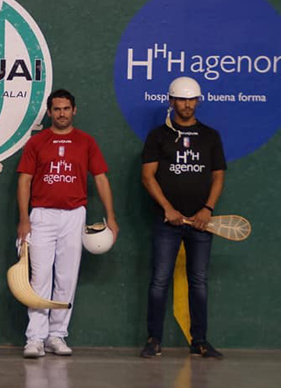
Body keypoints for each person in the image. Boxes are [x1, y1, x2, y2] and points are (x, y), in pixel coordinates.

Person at [16, 89, 118, 359]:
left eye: (66, 108)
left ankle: (56, 335)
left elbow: (101, 178)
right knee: (39, 278)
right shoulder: (36, 143)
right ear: (49, 112)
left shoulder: (86, 142)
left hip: (74, 215)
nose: (61, 113)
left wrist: (111, 216)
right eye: (57, 109)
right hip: (41, 215)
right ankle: (35, 338)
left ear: (74, 110)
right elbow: (24, 180)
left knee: (66, 277)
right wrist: (24, 219)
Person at [140, 76, 226, 359]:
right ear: (171, 101)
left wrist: (207, 210)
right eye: (181, 99)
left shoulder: (211, 136)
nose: (187, 104)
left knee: (199, 282)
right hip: (167, 223)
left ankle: (199, 341)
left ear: (198, 101)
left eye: (191, 99)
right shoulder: (158, 136)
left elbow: (218, 176)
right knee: (159, 281)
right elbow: (148, 176)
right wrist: (168, 209)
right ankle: (154, 340)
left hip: (201, 224)